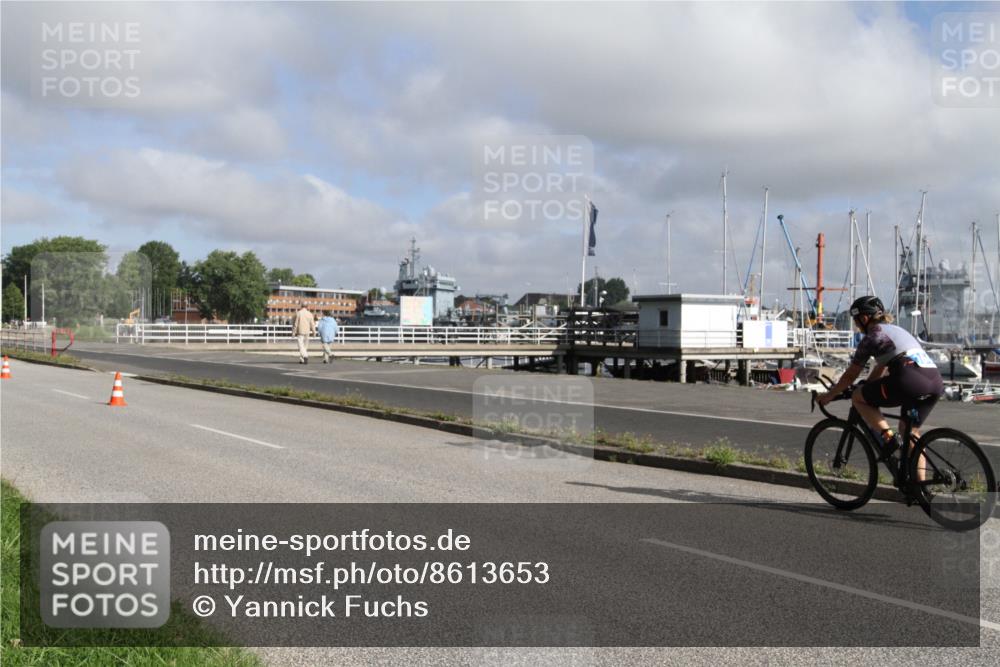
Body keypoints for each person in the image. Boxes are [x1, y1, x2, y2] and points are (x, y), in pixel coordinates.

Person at [818, 295, 944, 462]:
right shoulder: (897, 331)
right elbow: (881, 366)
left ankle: (888, 437)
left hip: (908, 380)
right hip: (934, 382)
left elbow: (850, 375)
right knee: (910, 433)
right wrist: (867, 385)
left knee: (858, 398)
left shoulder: (872, 336)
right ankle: (919, 486)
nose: (856, 325)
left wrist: (829, 396)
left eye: (856, 321)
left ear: (864, 318)